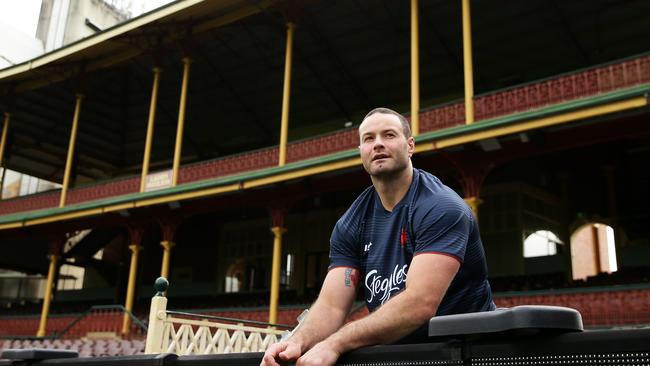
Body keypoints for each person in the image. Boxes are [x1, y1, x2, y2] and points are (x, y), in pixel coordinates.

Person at [261, 108, 495, 366]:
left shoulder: (440, 206)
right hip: (396, 354)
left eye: (389, 135)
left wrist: (335, 342)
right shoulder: (351, 223)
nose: (379, 144)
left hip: (466, 352)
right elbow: (332, 306)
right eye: (369, 138)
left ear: (410, 146)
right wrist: (298, 340)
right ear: (361, 151)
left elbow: (420, 303)